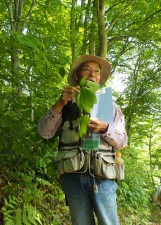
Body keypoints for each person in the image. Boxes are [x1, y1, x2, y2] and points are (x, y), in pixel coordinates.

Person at [37, 54, 128, 225]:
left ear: (100, 77)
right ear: (78, 75)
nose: (92, 74)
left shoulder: (111, 105)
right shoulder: (65, 103)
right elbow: (44, 132)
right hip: (73, 177)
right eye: (87, 70)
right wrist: (59, 103)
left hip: (103, 176)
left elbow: (122, 141)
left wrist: (105, 129)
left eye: (96, 71)